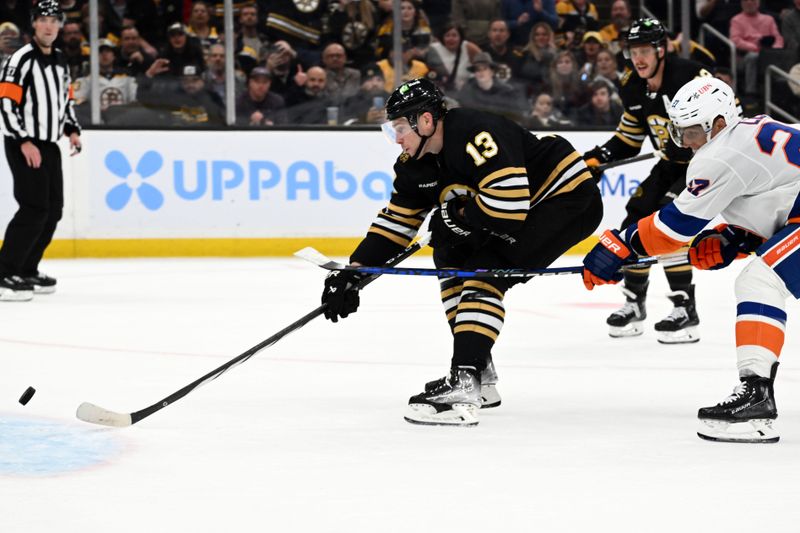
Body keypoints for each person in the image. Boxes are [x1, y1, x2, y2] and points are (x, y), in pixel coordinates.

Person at [320, 78, 602, 426]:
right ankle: (480, 375)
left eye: (399, 127)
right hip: (521, 209)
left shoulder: (474, 134)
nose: (397, 139)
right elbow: (395, 224)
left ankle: (464, 381)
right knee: (449, 257)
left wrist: (456, 215)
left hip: (564, 198)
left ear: (425, 121)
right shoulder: (414, 164)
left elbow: (509, 208)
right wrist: (353, 272)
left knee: (484, 273)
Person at [582, 76, 800, 443]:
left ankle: (756, 397)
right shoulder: (751, 132)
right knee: (763, 274)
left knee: (758, 281)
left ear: (717, 123)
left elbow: (673, 229)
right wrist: (735, 238)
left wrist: (620, 245)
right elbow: (782, 194)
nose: (684, 141)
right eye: (678, 130)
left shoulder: (720, 153)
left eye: (690, 131)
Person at [582, 18, 718, 343]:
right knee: (636, 218)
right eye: (633, 51)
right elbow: (628, 138)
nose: (638, 58)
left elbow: (728, 121)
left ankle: (686, 310)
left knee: (667, 225)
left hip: (704, 165)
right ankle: (634, 303)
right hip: (671, 164)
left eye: (644, 50)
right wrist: (597, 158)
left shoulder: (691, 78)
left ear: (661, 50)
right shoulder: (632, 85)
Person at [0, 0, 81, 301]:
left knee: (53, 209)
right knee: (33, 207)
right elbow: (6, 103)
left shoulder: (61, 60)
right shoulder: (20, 59)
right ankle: (4, 271)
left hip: (49, 144)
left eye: (54, 20)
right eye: (43, 19)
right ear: (33, 24)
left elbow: (66, 99)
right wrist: (23, 141)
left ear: (60, 26)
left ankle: (27, 267)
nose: (49, 25)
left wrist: (71, 129)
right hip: (24, 143)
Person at [730, 0, 784, 96]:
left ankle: (779, 92)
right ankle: (750, 92)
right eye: (746, 1)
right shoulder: (736, 20)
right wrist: (754, 47)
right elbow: (735, 40)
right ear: (742, 3)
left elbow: (778, 38)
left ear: (758, 3)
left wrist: (775, 48)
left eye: (753, 1)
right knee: (753, 56)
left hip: (768, 53)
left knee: (781, 55)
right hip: (744, 56)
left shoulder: (769, 19)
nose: (750, 3)